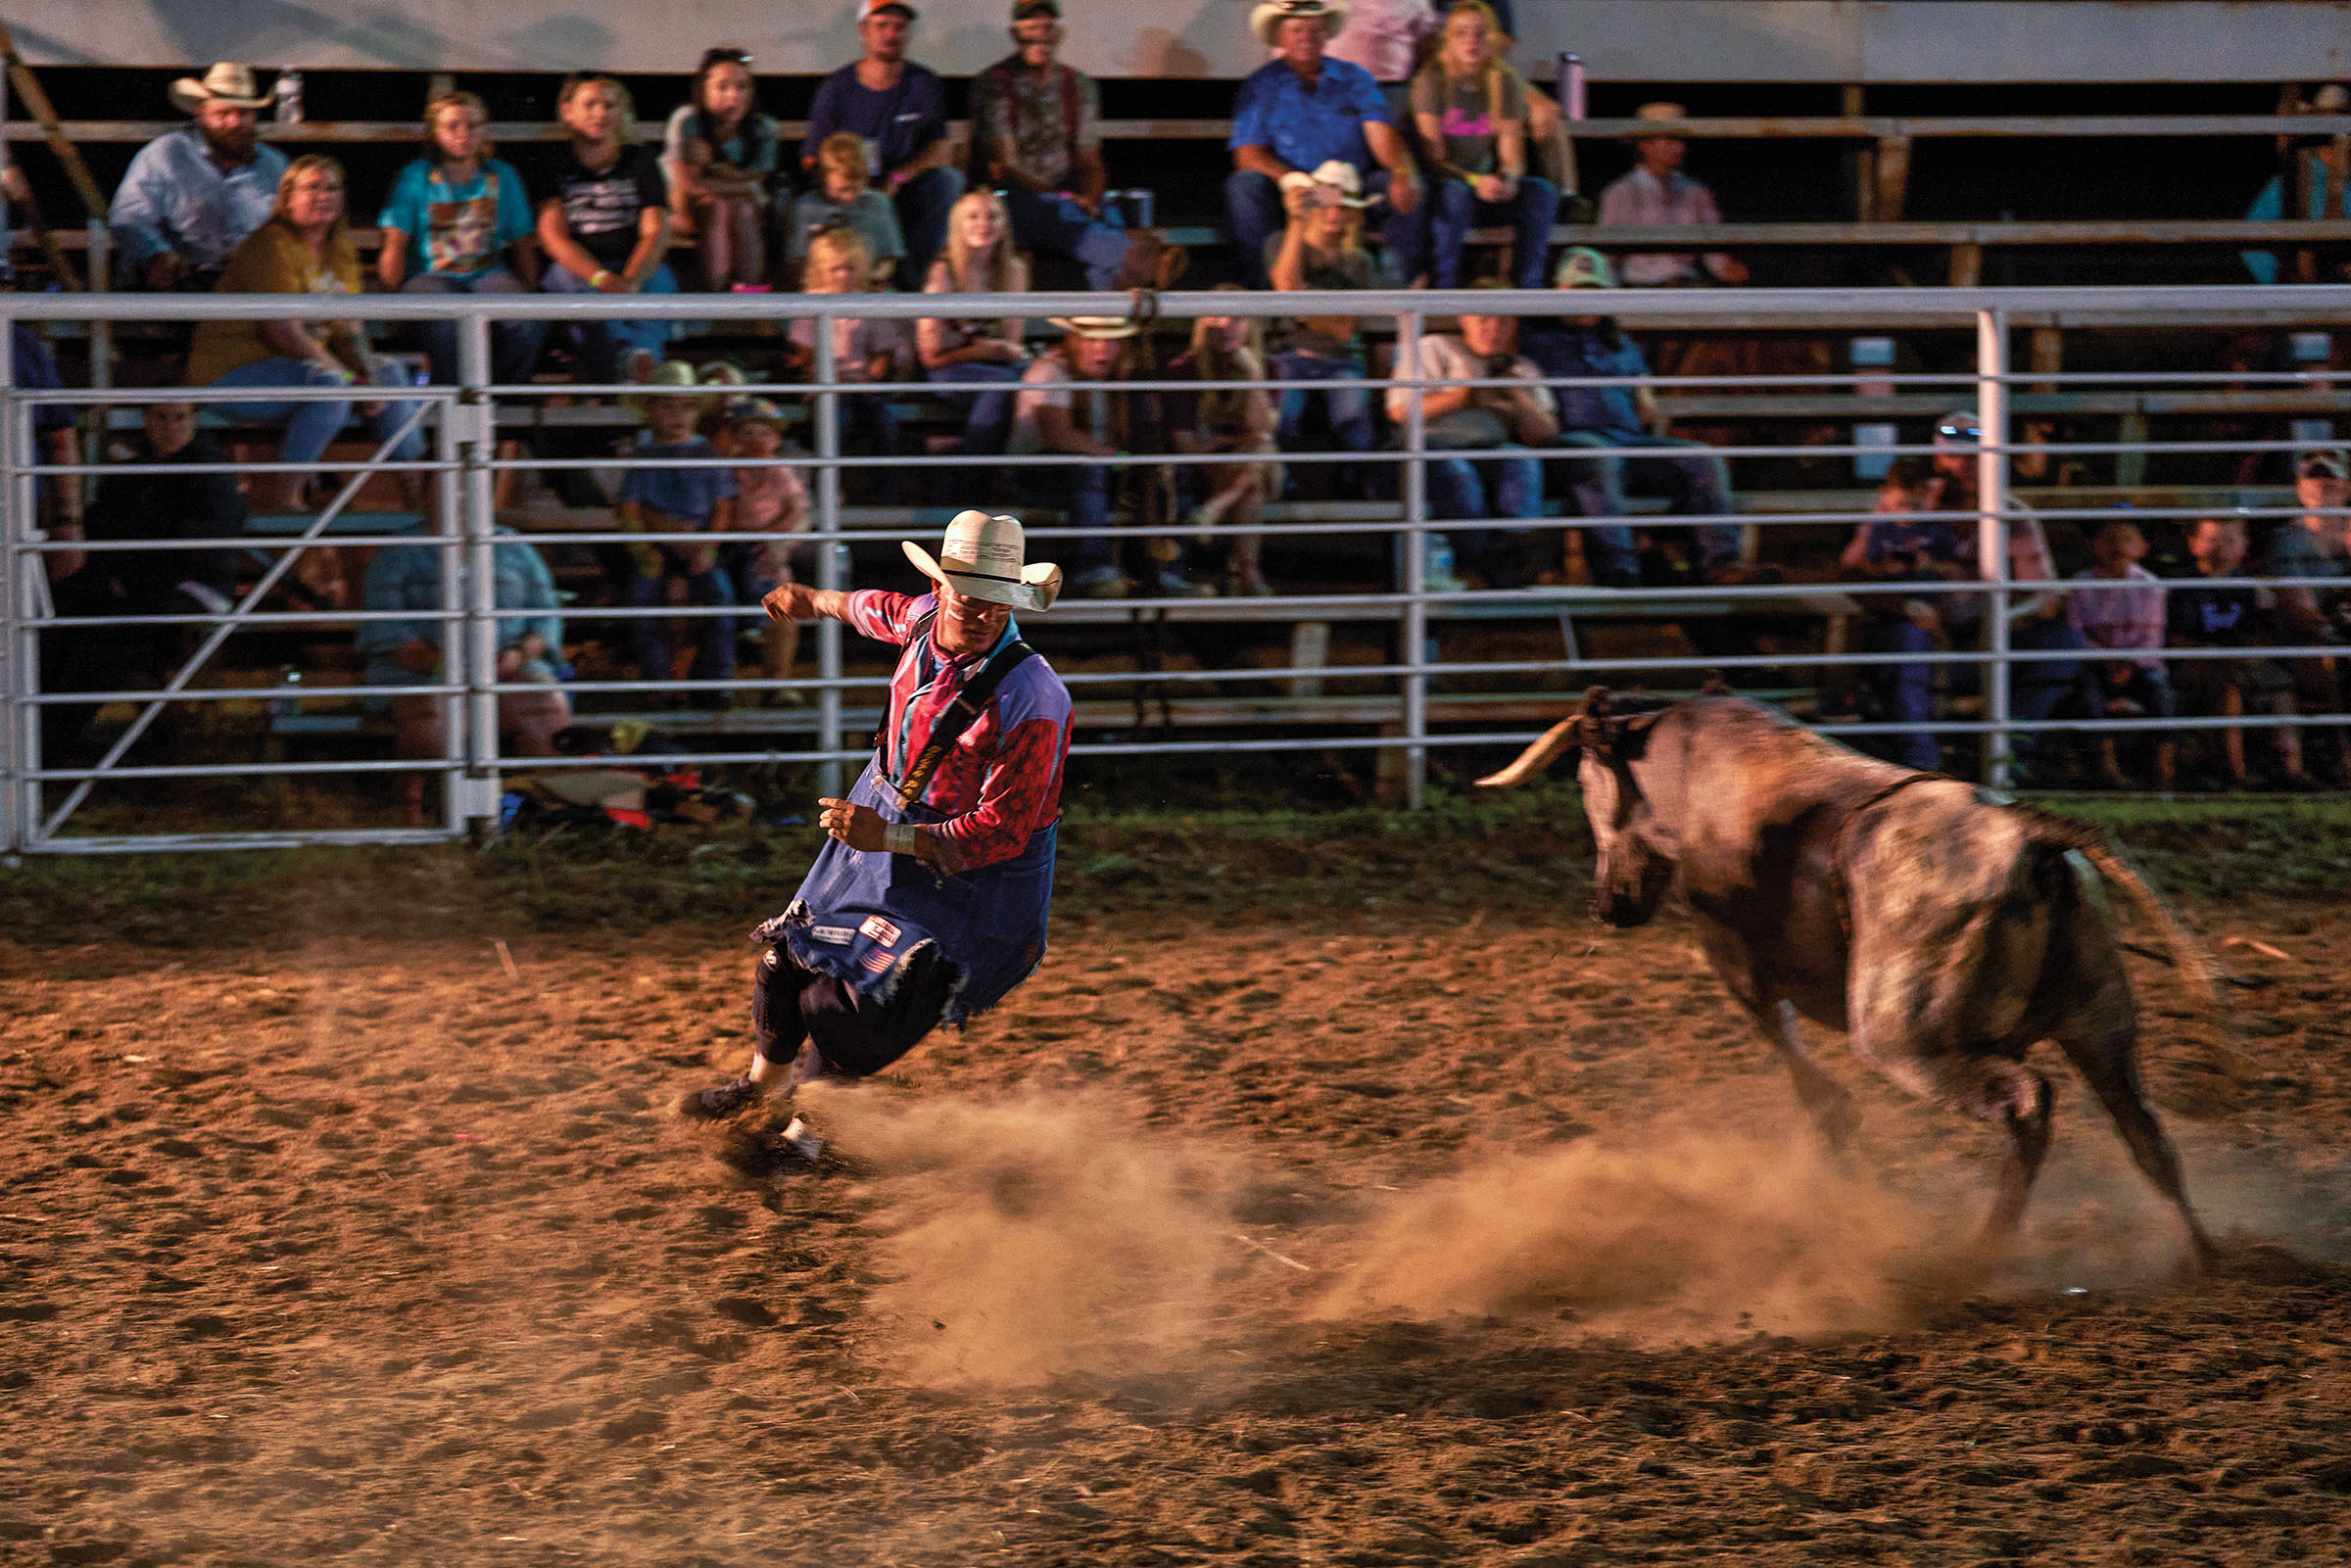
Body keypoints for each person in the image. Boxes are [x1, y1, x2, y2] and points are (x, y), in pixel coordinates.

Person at [678, 511, 1073, 1139]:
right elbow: (867, 607)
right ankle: (760, 1090)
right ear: (940, 590)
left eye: (1000, 602)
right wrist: (812, 601)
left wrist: (884, 836)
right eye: (970, 598)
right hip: (887, 817)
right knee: (787, 962)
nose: (984, 615)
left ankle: (806, 1136)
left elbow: (1003, 831)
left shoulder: (1033, 698)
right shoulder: (918, 620)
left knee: (848, 1010)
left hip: (972, 879)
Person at [185, 156, 429, 517]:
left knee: (389, 373)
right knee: (332, 384)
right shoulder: (271, 244)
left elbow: (350, 330)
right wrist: (353, 380)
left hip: (297, 369)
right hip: (233, 371)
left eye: (332, 188)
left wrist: (368, 378)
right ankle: (288, 499)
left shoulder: (340, 249)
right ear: (287, 198)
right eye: (312, 187)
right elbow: (285, 331)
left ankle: (418, 495)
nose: (324, 195)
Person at [1521, 247, 1740, 587]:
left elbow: (1644, 400)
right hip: (1570, 444)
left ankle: (1720, 565)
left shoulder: (1619, 342)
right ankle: (1618, 568)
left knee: (1703, 459)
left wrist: (1644, 393)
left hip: (1627, 442)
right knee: (1597, 456)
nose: (1586, 300)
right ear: (1558, 292)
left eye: (1594, 292)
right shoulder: (1534, 342)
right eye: (1577, 291)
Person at [41, 402, 241, 764]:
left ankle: (47, 749)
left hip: (193, 589)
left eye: (181, 418)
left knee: (104, 645)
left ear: (194, 421)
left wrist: (130, 581)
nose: (171, 427)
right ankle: (38, 742)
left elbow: (198, 550)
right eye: (161, 417)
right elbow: (102, 534)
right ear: (147, 421)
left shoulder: (209, 475)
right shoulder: (130, 475)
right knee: (57, 622)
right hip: (137, 588)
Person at [356, 528, 571, 826]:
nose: (459, 497)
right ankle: (414, 809)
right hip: (426, 676)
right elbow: (389, 635)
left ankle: (545, 819)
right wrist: (452, 666)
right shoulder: (398, 552)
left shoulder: (515, 547)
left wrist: (519, 654)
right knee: (433, 728)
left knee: (546, 717)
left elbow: (547, 617)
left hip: (509, 674)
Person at [968, 0, 1163, 292]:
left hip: (1067, 195)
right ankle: (1143, 258)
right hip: (1017, 197)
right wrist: (1062, 197)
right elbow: (1003, 166)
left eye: (1047, 28)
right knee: (1063, 217)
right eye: (1031, 29)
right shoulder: (994, 84)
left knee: (1110, 213)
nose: (1039, 37)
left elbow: (1089, 158)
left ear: (1058, 34)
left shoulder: (1078, 84)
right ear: (1015, 33)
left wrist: (1090, 198)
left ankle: (1105, 317)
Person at [1226, 0, 1422, 288]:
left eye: (1315, 29)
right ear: (1281, 37)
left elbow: (1381, 136)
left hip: (1347, 190)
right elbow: (1247, 154)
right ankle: (1260, 288)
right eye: (1297, 30)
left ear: (1327, 34)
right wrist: (1290, 179)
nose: (1307, 36)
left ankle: (1399, 290)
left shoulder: (1356, 78)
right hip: (1297, 191)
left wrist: (1402, 173)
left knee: (1403, 188)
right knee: (1244, 186)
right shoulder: (1260, 84)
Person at [1384, 279, 1559, 590]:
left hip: (1491, 449)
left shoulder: (1521, 368)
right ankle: (1492, 566)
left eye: (1503, 321)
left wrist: (1517, 396)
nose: (1494, 328)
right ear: (1464, 319)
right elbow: (1399, 411)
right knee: (1458, 472)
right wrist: (1461, 395)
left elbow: (1546, 435)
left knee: (1522, 461)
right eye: (1484, 319)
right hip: (1429, 447)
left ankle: (1517, 553)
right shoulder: (1433, 347)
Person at [376, 90, 546, 387]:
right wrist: (392, 306)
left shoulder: (501, 175)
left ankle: (499, 400)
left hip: (487, 274)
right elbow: (395, 245)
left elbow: (523, 242)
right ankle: (453, 404)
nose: (463, 134)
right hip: (430, 276)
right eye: (452, 126)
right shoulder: (416, 177)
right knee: (444, 322)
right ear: (435, 133)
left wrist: (527, 294)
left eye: (472, 126)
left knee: (527, 322)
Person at [1009, 315, 1185, 598]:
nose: (1101, 350)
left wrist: (1130, 461)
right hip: (1038, 473)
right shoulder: (1051, 371)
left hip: (1101, 468)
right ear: (1075, 341)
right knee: (1088, 471)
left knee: (1168, 473)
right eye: (1092, 339)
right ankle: (1094, 569)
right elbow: (1060, 436)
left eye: (1110, 341)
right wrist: (1119, 458)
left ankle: (1168, 570)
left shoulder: (1121, 379)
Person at [802, 0, 963, 286]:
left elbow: (939, 147)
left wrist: (898, 178)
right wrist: (846, 182)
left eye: (900, 27)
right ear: (863, 30)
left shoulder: (922, 83)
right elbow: (812, 157)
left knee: (947, 182)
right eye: (882, 26)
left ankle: (910, 289)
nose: (891, 34)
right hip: (854, 192)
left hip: (904, 187)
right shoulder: (836, 89)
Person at [1405, 0, 1558, 289]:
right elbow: (1434, 161)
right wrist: (1476, 180)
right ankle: (1443, 289)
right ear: (1448, 40)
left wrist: (1509, 177)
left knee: (1540, 193)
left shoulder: (1504, 80)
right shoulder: (1432, 81)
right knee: (1455, 193)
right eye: (1462, 33)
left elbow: (1511, 153)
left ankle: (1527, 290)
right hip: (1445, 184)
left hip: (1483, 185)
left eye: (1480, 33)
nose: (1471, 41)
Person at [534, 73, 676, 384]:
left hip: (634, 263)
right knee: (592, 307)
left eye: (609, 105)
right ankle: (626, 379)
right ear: (568, 111)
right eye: (590, 105)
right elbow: (552, 236)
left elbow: (656, 230)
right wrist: (601, 278)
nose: (600, 113)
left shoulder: (641, 159)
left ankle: (643, 375)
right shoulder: (552, 162)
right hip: (577, 266)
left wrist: (631, 279)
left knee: (656, 290)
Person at [615, 361, 740, 699]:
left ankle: (716, 684)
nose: (677, 415)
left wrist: (709, 546)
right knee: (643, 599)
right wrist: (644, 550)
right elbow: (629, 510)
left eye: (685, 406)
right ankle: (657, 682)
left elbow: (722, 507)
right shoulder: (642, 456)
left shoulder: (709, 454)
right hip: (657, 545)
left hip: (700, 543)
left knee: (721, 599)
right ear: (651, 411)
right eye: (668, 406)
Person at [107, 63, 287, 291]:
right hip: (179, 287)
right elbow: (129, 217)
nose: (234, 122)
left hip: (252, 287)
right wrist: (157, 254)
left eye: (244, 113)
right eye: (223, 113)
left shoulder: (273, 164)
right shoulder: (165, 154)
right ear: (199, 112)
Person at [2168, 513, 2314, 790]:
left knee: (2281, 688)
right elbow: (2178, 639)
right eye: (2212, 540)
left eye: (2229, 540)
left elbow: (2251, 632)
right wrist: (2217, 654)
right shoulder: (2185, 586)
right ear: (2194, 544)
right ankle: (2235, 773)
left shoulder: (2245, 587)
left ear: (2243, 546)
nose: (2220, 548)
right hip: (2199, 663)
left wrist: (2252, 651)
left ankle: (2291, 768)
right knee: (2228, 691)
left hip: (2238, 661)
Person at [1265, 161, 1380, 470]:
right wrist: (1296, 221)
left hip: (1340, 357)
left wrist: (1303, 308)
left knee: (1353, 422)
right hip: (1289, 354)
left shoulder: (1360, 262)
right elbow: (1286, 289)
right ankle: (1278, 483)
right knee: (1279, 419)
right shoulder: (1281, 242)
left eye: (1344, 208)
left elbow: (1343, 329)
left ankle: (1358, 489)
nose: (1335, 214)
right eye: (1327, 205)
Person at [1167, 301, 1281, 597]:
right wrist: (1233, 442)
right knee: (1253, 483)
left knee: (1261, 450)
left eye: (1236, 319)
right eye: (1216, 319)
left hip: (1253, 464)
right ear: (1202, 326)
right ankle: (1247, 573)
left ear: (1250, 325)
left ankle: (1217, 507)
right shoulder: (1184, 370)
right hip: (1209, 468)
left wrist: (1253, 376)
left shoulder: (1269, 367)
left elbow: (1261, 429)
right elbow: (1187, 447)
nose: (1226, 328)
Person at [784, 228, 908, 500]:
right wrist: (830, 380)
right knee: (836, 418)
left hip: (864, 383)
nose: (843, 276)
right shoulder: (808, 303)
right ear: (820, 270)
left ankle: (885, 494)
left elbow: (882, 353)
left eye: (850, 268)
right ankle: (828, 490)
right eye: (835, 269)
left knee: (885, 421)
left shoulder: (868, 301)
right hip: (824, 384)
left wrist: (870, 378)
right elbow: (804, 356)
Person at [917, 189, 1031, 459]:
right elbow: (930, 357)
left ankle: (968, 452)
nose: (984, 224)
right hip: (950, 368)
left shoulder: (1014, 270)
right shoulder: (943, 274)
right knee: (1000, 384)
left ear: (1004, 224)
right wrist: (984, 350)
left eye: (992, 217)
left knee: (1041, 380)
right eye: (972, 217)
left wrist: (993, 351)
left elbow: (1012, 344)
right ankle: (972, 475)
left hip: (997, 364)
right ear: (957, 225)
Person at [2068, 516, 2177, 789]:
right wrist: (2105, 659)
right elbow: (2075, 633)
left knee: (2161, 694)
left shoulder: (2150, 586)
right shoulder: (2081, 585)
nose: (2117, 546)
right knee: (2088, 692)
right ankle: (2105, 767)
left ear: (2143, 547)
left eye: (2127, 539)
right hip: (2095, 664)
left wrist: (2128, 662)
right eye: (2109, 539)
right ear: (2096, 545)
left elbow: (2152, 637)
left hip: (2140, 665)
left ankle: (2163, 768)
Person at [2263, 447, 2351, 781]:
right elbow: (2297, 605)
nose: (2320, 484)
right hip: (2305, 644)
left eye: (2328, 478)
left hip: (2337, 640)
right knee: (2336, 659)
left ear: (2345, 487)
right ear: (2300, 489)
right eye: (2311, 477)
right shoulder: (2287, 539)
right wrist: (2333, 630)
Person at [718, 399, 815, 702]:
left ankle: (777, 680)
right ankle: (720, 681)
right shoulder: (730, 469)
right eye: (747, 433)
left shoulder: (780, 470)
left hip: (767, 546)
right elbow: (722, 506)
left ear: (775, 439)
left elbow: (795, 509)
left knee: (777, 590)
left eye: (763, 433)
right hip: (732, 544)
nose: (755, 440)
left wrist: (770, 537)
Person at [662, 46, 782, 292]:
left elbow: (757, 177)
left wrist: (717, 174)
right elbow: (690, 184)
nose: (734, 96)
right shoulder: (688, 121)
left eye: (742, 87)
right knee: (719, 206)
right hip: (684, 205)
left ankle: (749, 288)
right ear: (704, 89)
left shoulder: (763, 128)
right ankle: (718, 292)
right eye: (723, 87)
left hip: (739, 204)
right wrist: (741, 184)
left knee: (741, 207)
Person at [1596, 101, 1747, 288]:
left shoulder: (1696, 192)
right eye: (1669, 141)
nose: (1678, 148)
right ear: (1645, 145)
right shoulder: (1619, 193)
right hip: (1639, 286)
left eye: (1679, 141)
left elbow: (1713, 252)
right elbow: (1608, 258)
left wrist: (1727, 269)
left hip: (1685, 284)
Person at [2242, 83, 2350, 285]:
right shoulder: (2293, 178)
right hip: (2305, 286)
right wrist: (2279, 281)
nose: (2334, 137)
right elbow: (2250, 240)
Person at [784, 132, 905, 284]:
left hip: (867, 285)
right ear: (822, 177)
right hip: (821, 287)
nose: (849, 197)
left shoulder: (878, 203)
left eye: (856, 189)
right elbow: (797, 263)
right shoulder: (806, 207)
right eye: (842, 189)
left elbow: (889, 258)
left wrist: (870, 280)